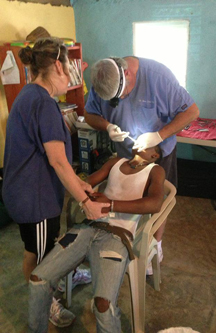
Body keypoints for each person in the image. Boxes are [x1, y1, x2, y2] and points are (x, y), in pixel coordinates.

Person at [2, 37, 109, 328]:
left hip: (30, 192)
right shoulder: (44, 105)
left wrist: (79, 184)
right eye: (72, 70)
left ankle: (60, 280)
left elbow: (57, 160)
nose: (74, 79)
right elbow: (58, 162)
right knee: (41, 257)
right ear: (58, 68)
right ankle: (44, 302)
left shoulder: (30, 94)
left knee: (45, 245)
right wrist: (86, 202)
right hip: (33, 199)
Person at [28, 145, 165, 333]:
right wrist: (83, 189)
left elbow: (155, 203)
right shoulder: (115, 162)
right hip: (87, 228)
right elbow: (84, 184)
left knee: (103, 304)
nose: (139, 141)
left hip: (117, 237)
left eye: (147, 142)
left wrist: (110, 204)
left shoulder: (155, 170)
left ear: (154, 155)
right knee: (38, 279)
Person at [84, 56, 200, 273]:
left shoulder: (159, 78)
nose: (121, 101)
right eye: (114, 101)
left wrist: (159, 135)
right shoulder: (103, 78)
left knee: (154, 204)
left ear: (127, 74)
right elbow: (89, 114)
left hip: (160, 148)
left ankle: (154, 245)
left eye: (123, 95)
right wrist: (107, 125)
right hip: (124, 154)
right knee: (129, 196)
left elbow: (192, 112)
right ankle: (125, 239)